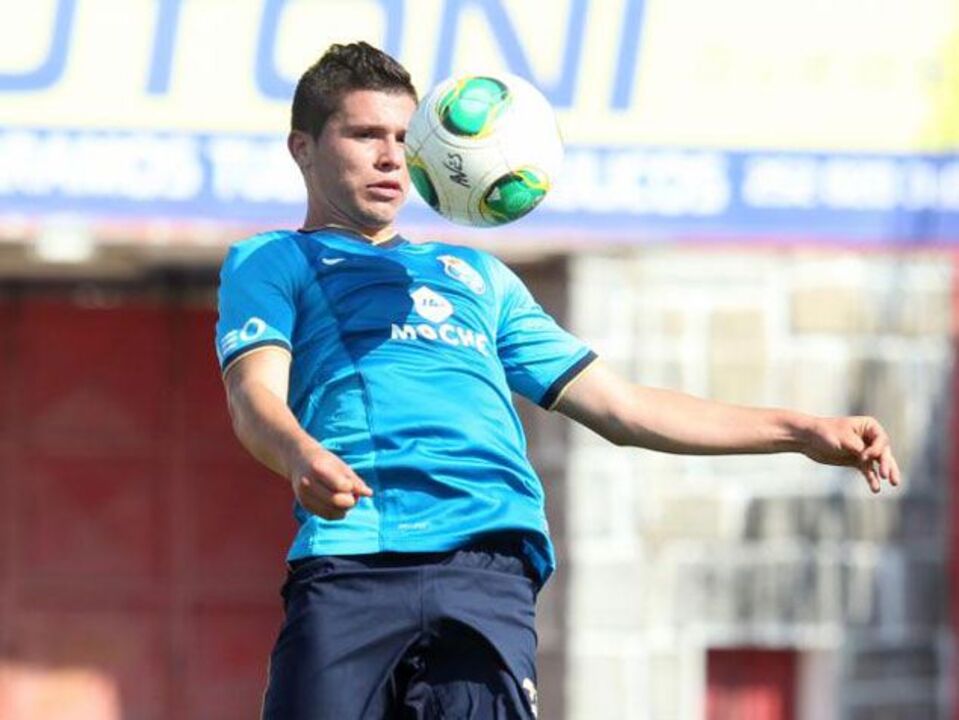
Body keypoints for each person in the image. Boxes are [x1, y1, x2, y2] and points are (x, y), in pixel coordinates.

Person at [215, 41, 900, 720]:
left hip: (485, 566)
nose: (391, 156)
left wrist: (801, 431)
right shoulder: (276, 260)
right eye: (364, 135)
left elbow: (622, 406)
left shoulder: (476, 278)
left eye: (402, 136)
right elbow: (254, 396)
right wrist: (299, 453)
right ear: (302, 148)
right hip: (354, 560)